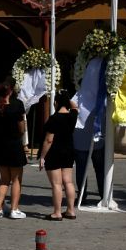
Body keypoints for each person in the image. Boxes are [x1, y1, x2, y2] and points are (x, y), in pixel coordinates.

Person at [0, 82, 27, 219]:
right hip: (14, 143)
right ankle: (14, 209)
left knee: (4, 179)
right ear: (11, 91)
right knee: (16, 179)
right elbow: (22, 127)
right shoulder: (17, 105)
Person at [38, 90, 79, 220]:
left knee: (56, 184)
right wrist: (66, 98)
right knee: (68, 182)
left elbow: (49, 140)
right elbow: (75, 106)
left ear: (55, 102)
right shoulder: (72, 116)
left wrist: (43, 156)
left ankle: (57, 212)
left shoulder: (54, 118)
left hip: (54, 152)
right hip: (68, 150)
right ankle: (71, 210)